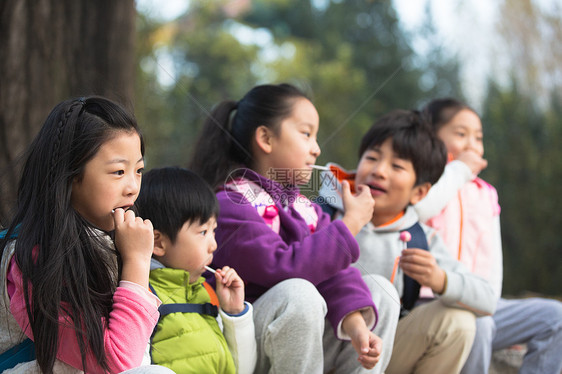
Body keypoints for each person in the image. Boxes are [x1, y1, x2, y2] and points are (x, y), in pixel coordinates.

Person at [189, 83, 400, 374]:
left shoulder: (303, 207)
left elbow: (335, 272)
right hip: (244, 347)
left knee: (382, 292)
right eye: (306, 133)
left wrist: (357, 328)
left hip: (298, 341)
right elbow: (284, 267)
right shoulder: (230, 203)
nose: (316, 148)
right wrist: (349, 223)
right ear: (265, 138)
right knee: (298, 293)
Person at [0, 97, 173, 374]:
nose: (132, 187)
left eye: (139, 171)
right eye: (118, 172)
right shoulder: (33, 256)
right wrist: (138, 263)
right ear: (70, 176)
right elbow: (117, 361)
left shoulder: (112, 241)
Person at [318, 109, 497, 374]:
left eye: (397, 166)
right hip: (318, 347)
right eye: (372, 157)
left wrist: (440, 279)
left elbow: (487, 299)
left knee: (459, 322)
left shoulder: (419, 238)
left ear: (420, 192)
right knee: (378, 288)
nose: (378, 171)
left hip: (377, 357)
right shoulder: (322, 212)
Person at [415, 98, 562, 374]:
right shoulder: (425, 183)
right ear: (431, 137)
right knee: (477, 324)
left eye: (478, 137)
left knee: (555, 317)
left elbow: (494, 263)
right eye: (461, 134)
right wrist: (456, 171)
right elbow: (418, 212)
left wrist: (487, 301)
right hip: (428, 302)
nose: (472, 144)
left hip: (481, 304)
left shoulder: (486, 193)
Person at [134, 166, 257, 373]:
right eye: (203, 232)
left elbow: (242, 369)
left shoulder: (207, 294)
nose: (213, 245)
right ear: (158, 243)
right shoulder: (144, 298)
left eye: (214, 231)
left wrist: (234, 313)